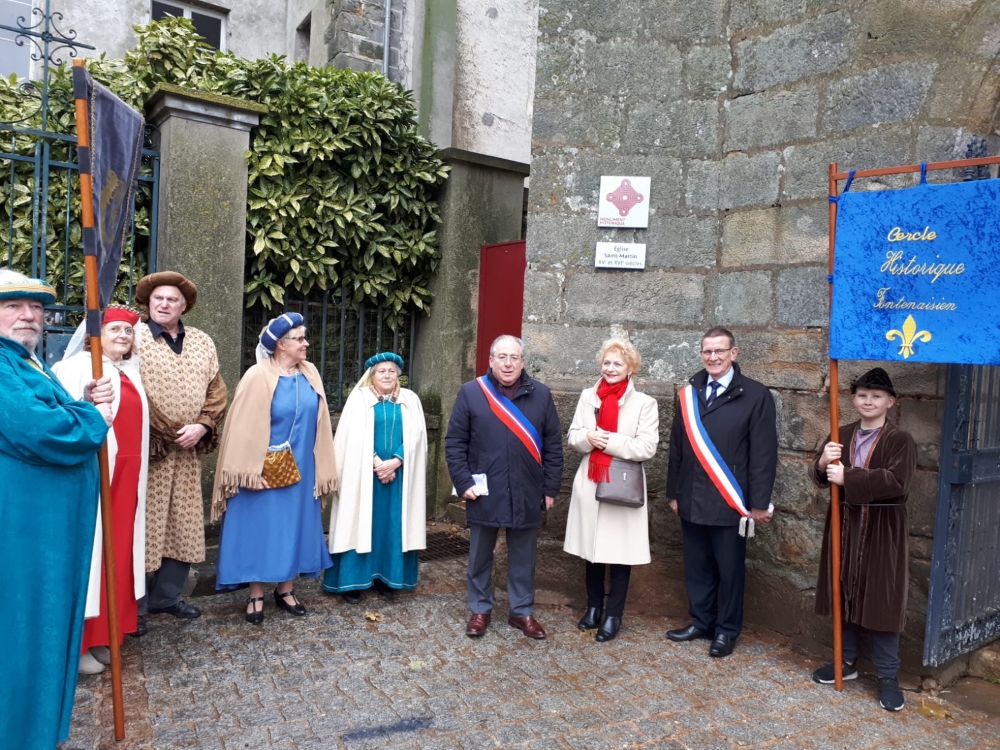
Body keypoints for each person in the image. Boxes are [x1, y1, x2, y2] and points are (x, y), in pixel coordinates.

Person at [0, 270, 113, 749]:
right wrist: (93, 416)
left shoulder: (26, 363)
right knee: (24, 636)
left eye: (36, 307)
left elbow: (49, 412)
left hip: (44, 534)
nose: (29, 315)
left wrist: (79, 401)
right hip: (25, 536)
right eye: (13, 306)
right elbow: (42, 430)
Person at [211, 313, 336, 623]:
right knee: (260, 529)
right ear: (281, 344)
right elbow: (240, 428)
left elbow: (320, 424)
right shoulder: (256, 376)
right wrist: (251, 471)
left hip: (302, 469)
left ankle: (286, 589)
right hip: (262, 471)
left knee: (293, 526)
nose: (306, 344)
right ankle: (255, 592)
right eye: (300, 339)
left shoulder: (310, 374)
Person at [666, 326, 777, 657]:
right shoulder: (689, 393)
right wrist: (674, 492)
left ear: (734, 353)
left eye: (719, 351)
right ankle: (702, 621)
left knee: (730, 570)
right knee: (697, 566)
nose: (712, 357)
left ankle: (727, 630)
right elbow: (677, 448)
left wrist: (758, 503)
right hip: (692, 497)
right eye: (707, 352)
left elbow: (763, 454)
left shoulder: (755, 396)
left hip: (731, 501)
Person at [810, 367, 915, 712]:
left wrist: (849, 475)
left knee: (882, 599)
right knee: (845, 590)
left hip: (883, 531)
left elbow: (897, 482)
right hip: (845, 527)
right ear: (853, 399)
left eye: (877, 396)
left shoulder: (900, 440)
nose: (869, 401)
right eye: (862, 395)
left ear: (890, 401)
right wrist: (823, 461)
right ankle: (846, 662)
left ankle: (887, 675)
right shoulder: (841, 433)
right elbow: (821, 476)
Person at [445, 334, 564, 639]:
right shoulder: (471, 393)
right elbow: (455, 442)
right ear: (491, 360)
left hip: (527, 489)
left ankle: (522, 612)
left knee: (524, 557)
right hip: (484, 489)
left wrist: (550, 488)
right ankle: (480, 609)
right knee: (480, 555)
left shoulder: (541, 394)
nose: (508, 363)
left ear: (523, 362)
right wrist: (463, 481)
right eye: (502, 357)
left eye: (514, 357)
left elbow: (553, 445)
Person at [53, 305, 150, 674]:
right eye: (114, 330)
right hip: (98, 475)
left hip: (127, 477)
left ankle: (109, 633)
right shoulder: (77, 368)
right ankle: (79, 644)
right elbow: (67, 418)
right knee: (93, 554)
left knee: (118, 553)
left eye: (128, 332)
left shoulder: (128, 372)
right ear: (96, 333)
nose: (123, 337)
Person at [135, 271, 227, 627]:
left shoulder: (203, 341)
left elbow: (217, 390)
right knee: (144, 525)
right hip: (149, 450)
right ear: (148, 302)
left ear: (184, 305)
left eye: (172, 299)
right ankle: (136, 606)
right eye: (158, 298)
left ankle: (167, 598)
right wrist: (167, 429)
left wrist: (202, 424)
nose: (164, 304)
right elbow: (127, 386)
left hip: (188, 454)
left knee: (184, 524)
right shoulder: (134, 336)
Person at [563, 337, 659, 642]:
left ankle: (614, 615)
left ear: (630, 367)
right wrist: (589, 437)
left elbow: (647, 447)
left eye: (618, 363)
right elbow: (574, 437)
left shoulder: (645, 403)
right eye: (607, 362)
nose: (611, 368)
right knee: (591, 551)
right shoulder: (587, 396)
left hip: (622, 485)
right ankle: (593, 608)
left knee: (619, 555)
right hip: (590, 483)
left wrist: (611, 441)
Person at [323, 352, 428, 601]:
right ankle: (352, 582)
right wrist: (376, 463)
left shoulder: (410, 400)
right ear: (372, 375)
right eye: (382, 371)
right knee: (359, 522)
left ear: (399, 375)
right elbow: (350, 437)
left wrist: (396, 462)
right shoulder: (358, 399)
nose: (387, 375)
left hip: (399, 476)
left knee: (392, 525)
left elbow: (418, 436)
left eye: (392, 371)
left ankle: (387, 578)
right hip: (363, 476)